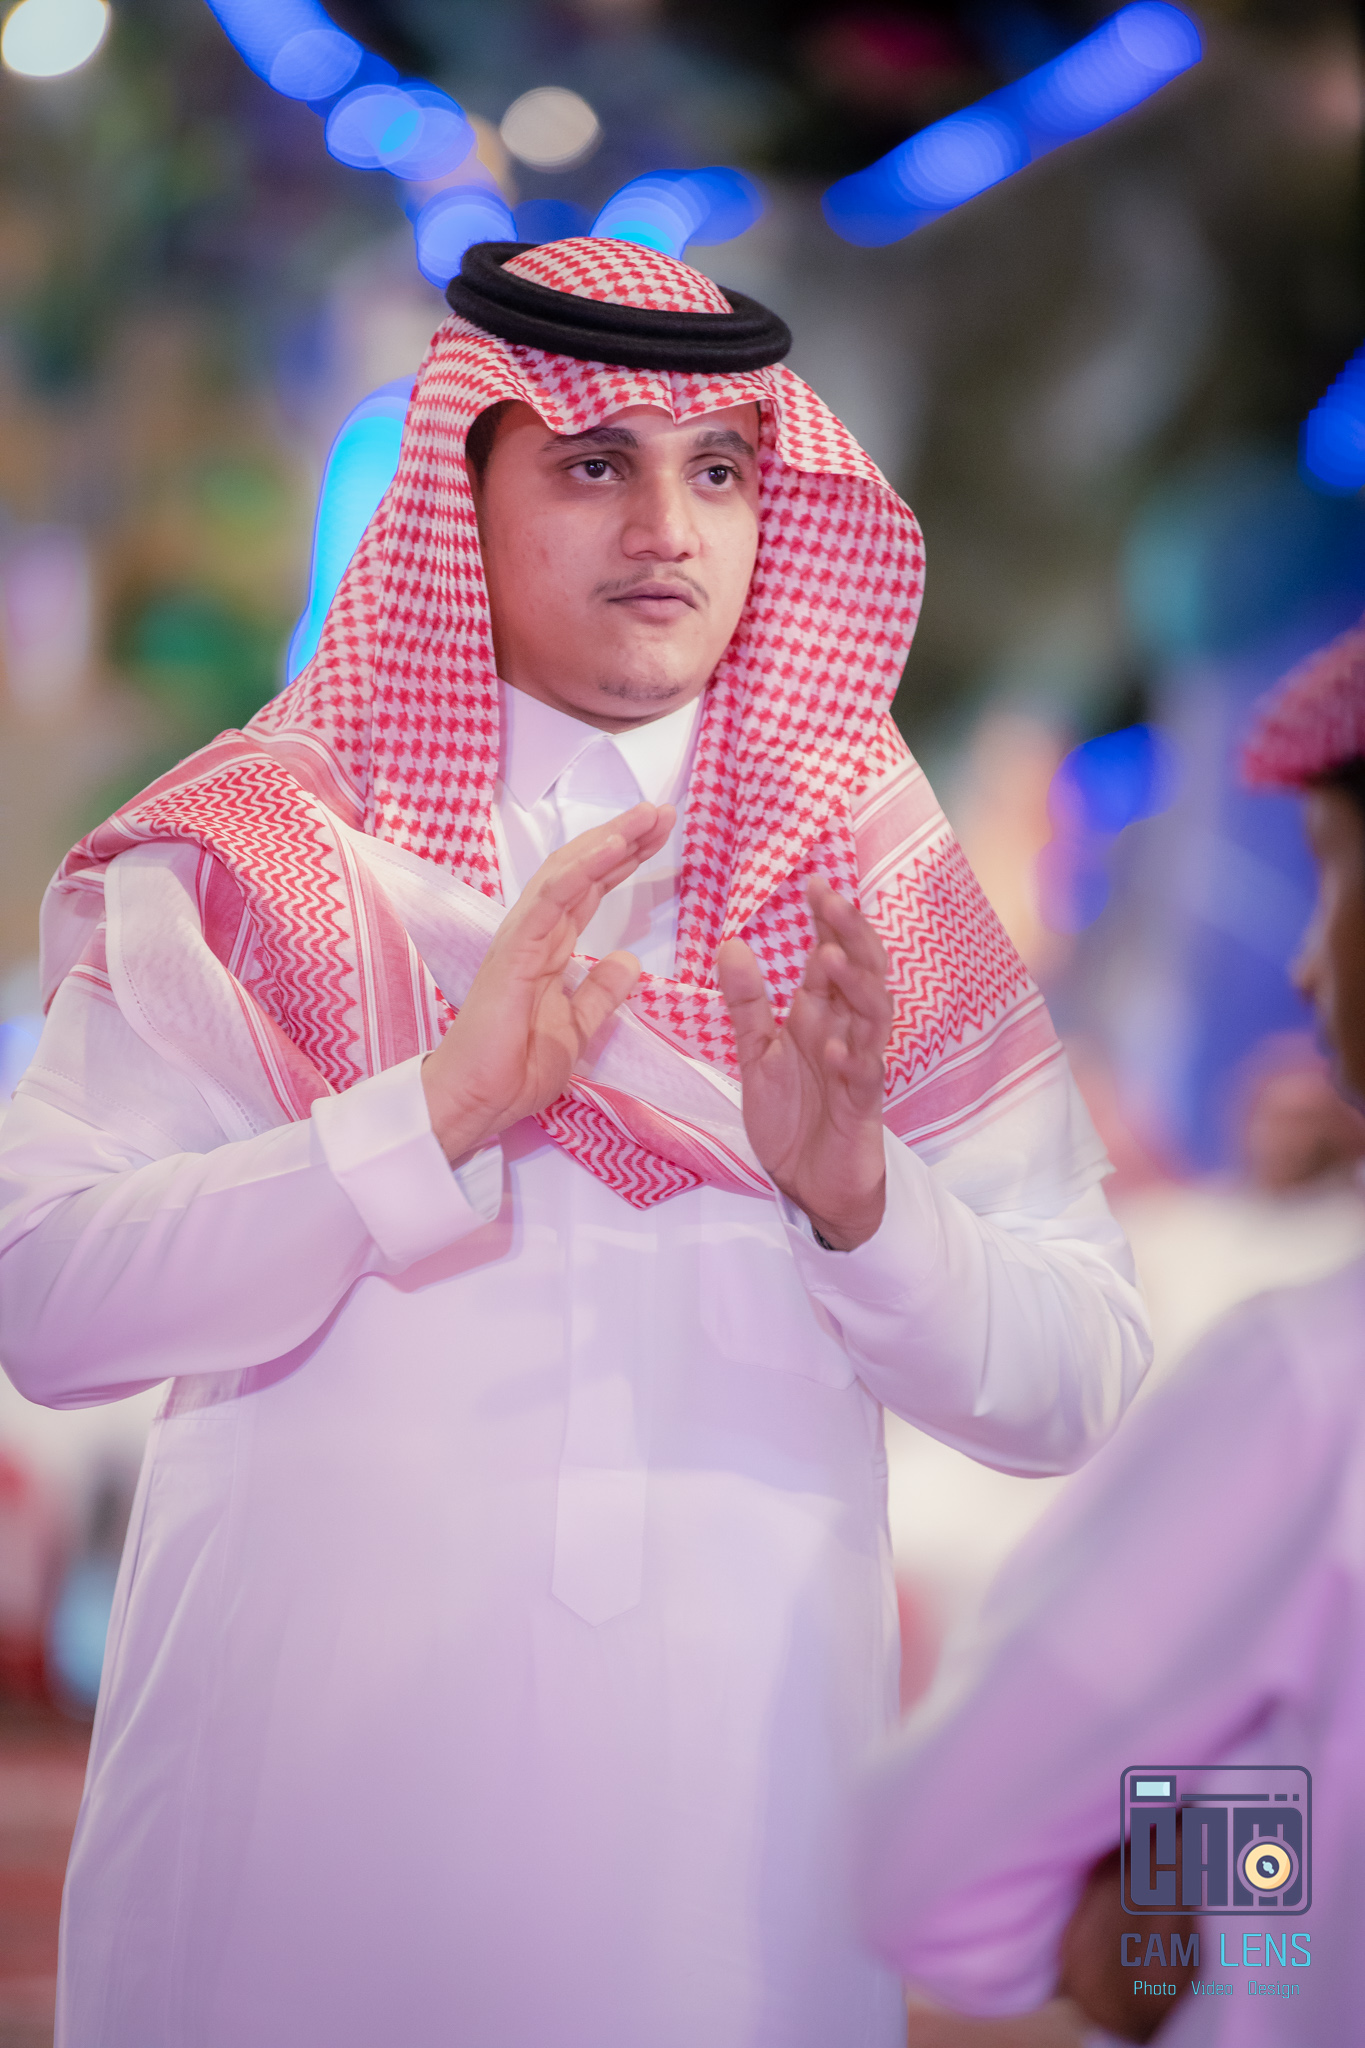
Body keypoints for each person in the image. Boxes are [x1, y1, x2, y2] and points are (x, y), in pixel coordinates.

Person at [0, 237, 1149, 2048]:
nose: (667, 531)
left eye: (721, 471)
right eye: (596, 463)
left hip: (728, 1894)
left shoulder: (865, 889)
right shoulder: (264, 859)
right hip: (294, 1874)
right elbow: (47, 1302)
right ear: (460, 490)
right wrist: (430, 1113)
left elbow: (1077, 1378)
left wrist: (860, 1203)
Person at [853, 620, 1365, 2044]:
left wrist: (1186, 1889)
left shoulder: (1310, 1376)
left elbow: (938, 1868)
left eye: (1335, 876)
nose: (1307, 967)